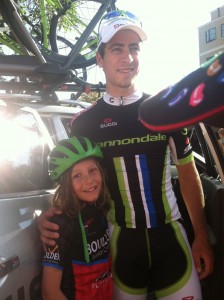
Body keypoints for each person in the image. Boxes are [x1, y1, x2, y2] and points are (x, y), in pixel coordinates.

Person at [38, 10, 213, 300]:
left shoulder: (166, 109)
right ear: (99, 58)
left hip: (172, 240)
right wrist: (44, 216)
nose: (127, 57)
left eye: (134, 48)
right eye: (117, 49)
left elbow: (187, 171)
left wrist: (203, 235)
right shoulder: (83, 124)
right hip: (119, 245)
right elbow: (77, 184)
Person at [41, 136, 112, 300]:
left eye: (92, 170)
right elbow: (49, 292)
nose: (89, 180)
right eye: (77, 176)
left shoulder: (101, 208)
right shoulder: (60, 224)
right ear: (66, 184)